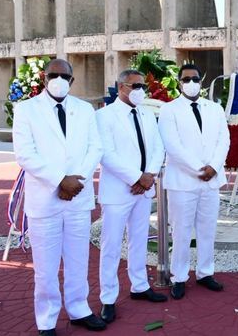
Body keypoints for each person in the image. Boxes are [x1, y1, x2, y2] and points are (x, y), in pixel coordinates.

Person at [12, 59, 105, 335]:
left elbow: (95, 147)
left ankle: (79, 309)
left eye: (65, 76)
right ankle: (47, 319)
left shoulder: (84, 109)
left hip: (78, 195)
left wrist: (77, 180)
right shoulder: (26, 110)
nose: (59, 80)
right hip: (45, 199)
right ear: (44, 78)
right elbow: (25, 154)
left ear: (72, 81)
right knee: (46, 266)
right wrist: (59, 180)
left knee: (78, 260)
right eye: (54, 75)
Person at [96, 70, 167, 324]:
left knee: (139, 239)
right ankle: (108, 297)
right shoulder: (104, 116)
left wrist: (149, 176)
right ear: (121, 86)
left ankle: (139, 286)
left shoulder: (147, 113)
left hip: (144, 188)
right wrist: (136, 177)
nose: (140, 89)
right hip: (118, 190)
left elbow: (158, 147)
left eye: (142, 85)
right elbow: (106, 153)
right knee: (112, 245)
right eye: (134, 85)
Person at [158, 64, 230, 300]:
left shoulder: (215, 109)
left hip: (210, 180)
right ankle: (179, 276)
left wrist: (214, 167)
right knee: (181, 231)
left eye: (195, 78)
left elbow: (224, 140)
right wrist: (200, 169)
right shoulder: (169, 110)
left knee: (207, 229)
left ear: (202, 81)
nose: (191, 83)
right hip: (183, 181)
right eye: (186, 79)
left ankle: (205, 272)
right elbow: (173, 145)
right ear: (179, 83)